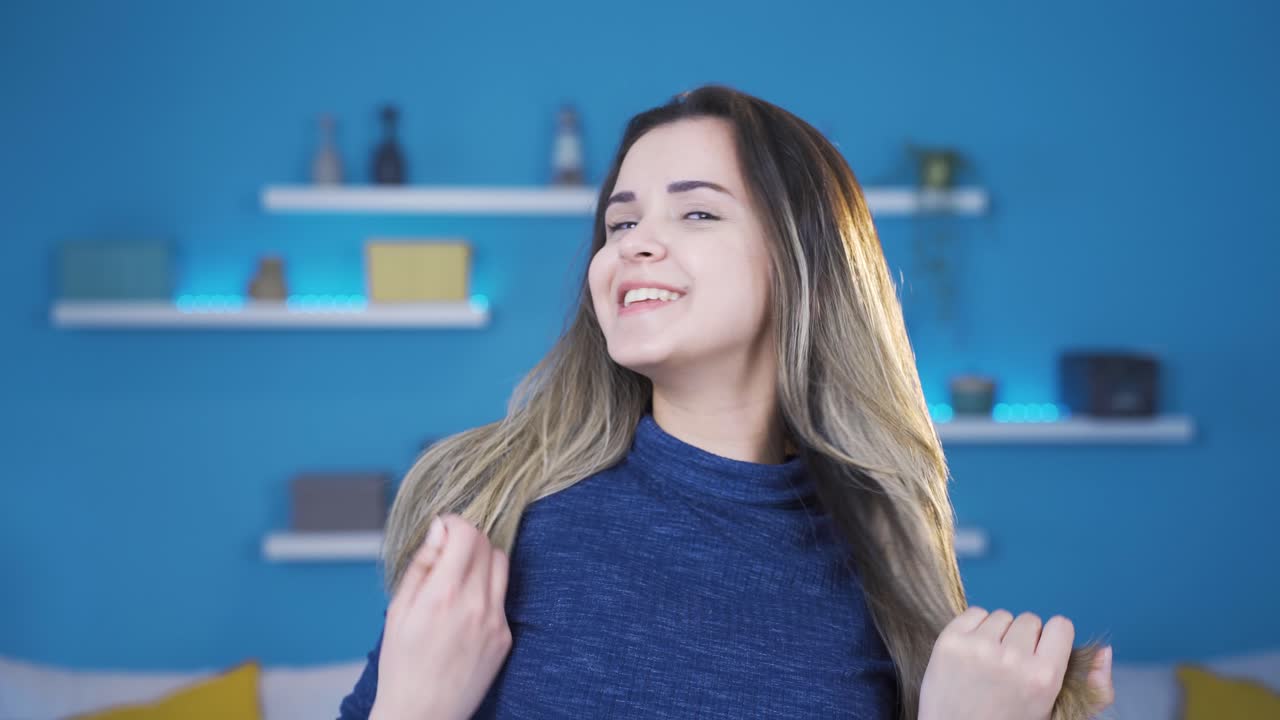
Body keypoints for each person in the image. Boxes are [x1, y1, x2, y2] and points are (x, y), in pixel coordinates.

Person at [337, 84, 1116, 720]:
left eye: (698, 212)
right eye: (621, 221)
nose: (634, 243)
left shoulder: (880, 567)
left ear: (804, 264)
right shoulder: (499, 509)